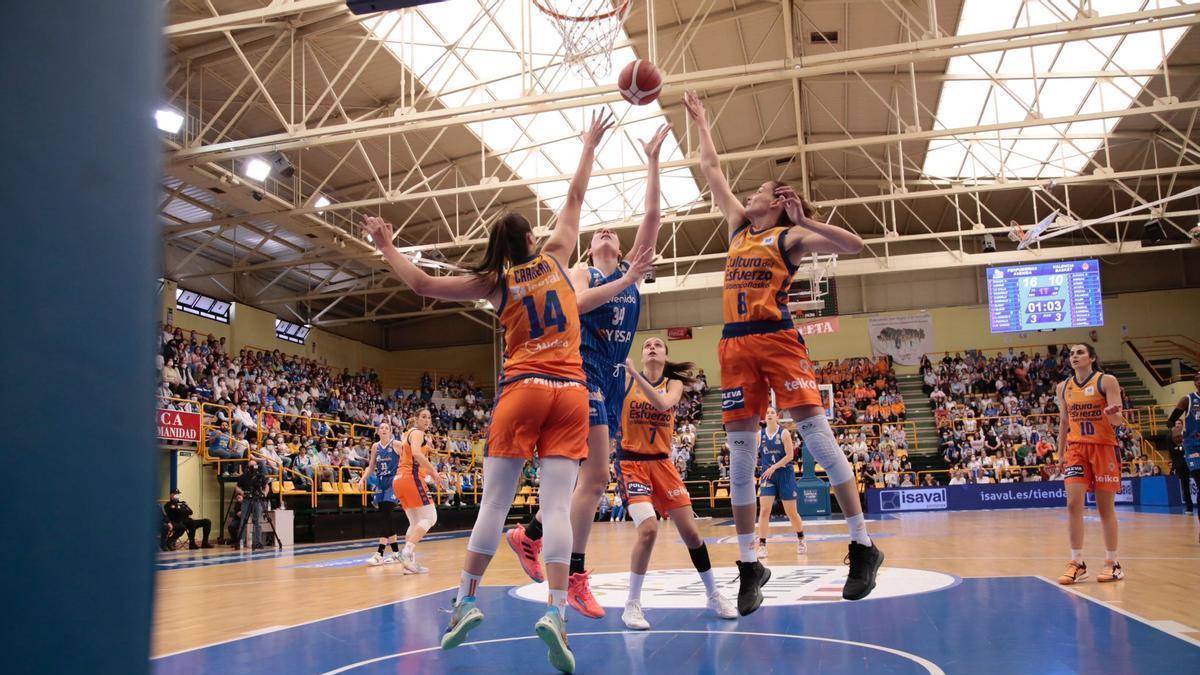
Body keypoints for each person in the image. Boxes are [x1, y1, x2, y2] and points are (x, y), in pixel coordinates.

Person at [366, 111, 650, 674]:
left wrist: (386, 245)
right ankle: (555, 609)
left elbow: (422, 284)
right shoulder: (558, 260)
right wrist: (589, 142)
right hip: (572, 392)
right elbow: (574, 195)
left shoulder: (496, 282)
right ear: (530, 237)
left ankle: (466, 599)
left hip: (522, 388)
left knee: (496, 503)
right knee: (555, 507)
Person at [683, 90, 881, 613]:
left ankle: (862, 545)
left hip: (777, 338)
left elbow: (853, 246)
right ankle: (750, 564)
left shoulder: (789, 237)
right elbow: (710, 170)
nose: (747, 195)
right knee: (742, 455)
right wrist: (702, 121)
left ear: (776, 202)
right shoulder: (736, 228)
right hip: (733, 343)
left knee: (816, 434)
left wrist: (806, 219)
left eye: (758, 192)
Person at [505, 123, 672, 620]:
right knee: (594, 478)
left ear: (621, 248)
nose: (603, 232)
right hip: (580, 375)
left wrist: (654, 162)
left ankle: (529, 535)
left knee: (592, 481)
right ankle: (574, 572)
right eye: (597, 230)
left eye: (611, 234)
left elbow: (653, 215)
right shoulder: (583, 272)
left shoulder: (632, 272)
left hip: (609, 380)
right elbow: (574, 305)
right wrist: (624, 279)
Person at [616, 338, 737, 629]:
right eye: (647, 345)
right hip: (631, 463)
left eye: (658, 345)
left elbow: (662, 404)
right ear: (643, 355)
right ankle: (632, 604)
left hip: (663, 464)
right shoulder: (623, 384)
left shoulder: (673, 384)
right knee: (648, 530)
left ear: (666, 355)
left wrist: (634, 375)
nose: (653, 347)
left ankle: (712, 593)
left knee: (693, 535)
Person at [1056, 344, 1128, 585]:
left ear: (1092, 358)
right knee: (1073, 504)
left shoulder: (1107, 381)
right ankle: (1077, 562)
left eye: (1080, 353)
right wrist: (1059, 452)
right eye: (1072, 354)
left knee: (1104, 508)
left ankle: (1112, 563)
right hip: (1076, 449)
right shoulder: (1063, 387)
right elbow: (1064, 421)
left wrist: (1111, 413)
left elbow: (1118, 421)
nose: (1074, 356)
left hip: (1103, 447)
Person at [391, 409, 443, 573]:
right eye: (423, 417)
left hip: (399, 480)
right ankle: (405, 553)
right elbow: (416, 454)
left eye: (429, 418)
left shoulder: (407, 434)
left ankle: (409, 565)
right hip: (410, 478)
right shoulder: (418, 433)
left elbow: (411, 457)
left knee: (414, 523)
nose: (427, 420)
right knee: (430, 518)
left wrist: (430, 472)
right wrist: (434, 472)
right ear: (416, 419)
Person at [754, 407, 806, 559]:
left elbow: (790, 456)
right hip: (767, 475)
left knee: (791, 513)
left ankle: (801, 539)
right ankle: (762, 545)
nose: (769, 414)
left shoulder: (784, 433)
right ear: (764, 418)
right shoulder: (759, 435)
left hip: (784, 474)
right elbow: (753, 455)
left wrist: (774, 467)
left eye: (772, 412)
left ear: (777, 416)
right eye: (767, 412)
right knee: (764, 511)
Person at [358, 422, 406, 566]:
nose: (384, 429)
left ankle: (380, 553)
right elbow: (371, 466)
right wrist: (362, 479)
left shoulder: (397, 445)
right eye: (381, 428)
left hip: (393, 482)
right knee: (387, 518)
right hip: (380, 483)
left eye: (387, 428)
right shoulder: (375, 447)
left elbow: (407, 461)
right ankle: (397, 553)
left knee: (385, 515)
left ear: (391, 432)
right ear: (378, 432)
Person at [1167, 373, 1200, 533]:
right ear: (1194, 383)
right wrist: (1174, 431)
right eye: (1198, 379)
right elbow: (1171, 420)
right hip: (1193, 445)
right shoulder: (1188, 399)